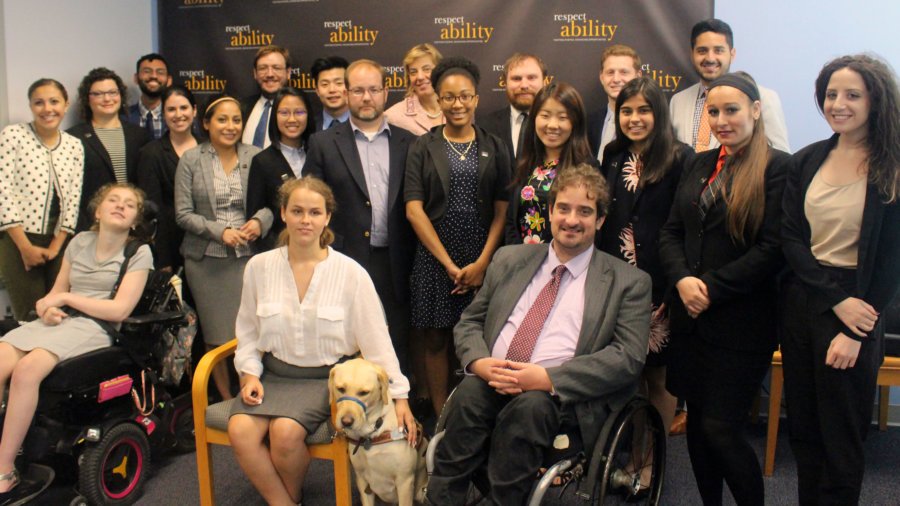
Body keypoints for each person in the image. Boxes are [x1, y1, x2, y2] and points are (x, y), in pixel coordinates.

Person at [427, 163, 651, 505]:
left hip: (559, 399)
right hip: (492, 379)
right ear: (549, 212)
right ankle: (441, 500)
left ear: (601, 220)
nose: (571, 220)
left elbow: (627, 358)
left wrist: (547, 378)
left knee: (530, 408)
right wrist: (479, 362)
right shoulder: (508, 259)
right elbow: (470, 321)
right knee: (469, 395)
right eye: (563, 208)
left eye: (585, 211)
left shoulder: (628, 282)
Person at [227, 176, 414, 506]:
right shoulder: (258, 267)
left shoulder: (351, 273)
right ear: (283, 213)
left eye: (315, 212)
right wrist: (249, 373)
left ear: (327, 217)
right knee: (240, 430)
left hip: (325, 380)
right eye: (297, 211)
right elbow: (247, 332)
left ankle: (288, 499)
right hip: (271, 376)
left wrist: (399, 396)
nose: (305, 220)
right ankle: (285, 502)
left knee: (284, 434)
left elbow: (376, 341)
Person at [658, 72, 789, 506]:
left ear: (755, 109)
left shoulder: (779, 167)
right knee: (696, 425)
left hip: (740, 324)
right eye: (713, 111)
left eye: (731, 110)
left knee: (720, 428)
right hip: (690, 322)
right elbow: (671, 233)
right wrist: (681, 279)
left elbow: (773, 249)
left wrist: (709, 289)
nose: (721, 120)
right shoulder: (698, 163)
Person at [781, 55, 900, 505]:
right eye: (831, 94)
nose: (838, 104)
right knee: (806, 432)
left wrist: (854, 328)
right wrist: (832, 300)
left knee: (841, 440)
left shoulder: (892, 166)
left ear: (876, 99)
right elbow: (791, 239)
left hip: (859, 308)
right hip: (805, 302)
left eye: (852, 95)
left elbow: (891, 262)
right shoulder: (808, 159)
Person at [0, 183, 151, 504]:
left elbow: (120, 310)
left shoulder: (138, 252)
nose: (120, 206)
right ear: (98, 210)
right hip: (62, 321)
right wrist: (47, 307)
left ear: (135, 219)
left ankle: (5, 469)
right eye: (113, 200)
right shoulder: (80, 242)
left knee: (27, 370)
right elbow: (53, 294)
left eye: (129, 204)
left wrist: (67, 298)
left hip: (98, 326)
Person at [405, 56, 510, 419]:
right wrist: (449, 264)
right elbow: (414, 209)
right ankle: (442, 417)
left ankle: (476, 415)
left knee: (479, 339)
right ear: (438, 99)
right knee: (435, 338)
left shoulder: (495, 146)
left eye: (465, 96)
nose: (457, 104)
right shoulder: (422, 146)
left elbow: (502, 210)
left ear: (477, 99)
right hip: (436, 257)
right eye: (448, 97)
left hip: (482, 256)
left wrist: (482, 263)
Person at [598, 76, 692, 457]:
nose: (634, 118)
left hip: (660, 284)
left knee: (658, 375)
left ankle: (649, 458)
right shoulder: (612, 155)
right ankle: (627, 448)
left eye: (644, 110)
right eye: (626, 111)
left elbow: (683, 227)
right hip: (615, 282)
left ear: (659, 113)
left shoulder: (681, 157)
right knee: (624, 373)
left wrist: (674, 286)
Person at [304, 59, 416, 375]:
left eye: (374, 90)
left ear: (386, 92)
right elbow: (312, 205)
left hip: (395, 262)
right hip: (343, 258)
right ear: (346, 92)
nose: (366, 98)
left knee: (395, 343)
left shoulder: (410, 143)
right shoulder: (323, 143)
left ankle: (397, 415)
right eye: (358, 90)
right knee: (345, 344)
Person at [174, 95, 269, 400]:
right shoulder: (191, 158)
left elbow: (275, 202)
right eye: (222, 120)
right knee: (216, 336)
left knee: (248, 333)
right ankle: (226, 399)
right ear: (206, 123)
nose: (230, 126)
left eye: (236, 120)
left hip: (247, 259)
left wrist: (259, 221)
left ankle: (249, 391)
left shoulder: (255, 156)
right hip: (206, 262)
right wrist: (220, 231)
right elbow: (183, 214)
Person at [0, 78, 84, 321]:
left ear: (66, 105)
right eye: (39, 102)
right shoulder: (13, 135)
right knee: (30, 316)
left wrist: (56, 249)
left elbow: (73, 199)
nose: (47, 109)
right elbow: (2, 191)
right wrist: (25, 247)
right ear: (30, 106)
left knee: (59, 315)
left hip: (59, 242)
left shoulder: (74, 145)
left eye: (54, 101)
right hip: (18, 239)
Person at [669, 19, 790, 153]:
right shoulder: (677, 101)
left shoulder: (764, 98)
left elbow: (781, 157)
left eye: (718, 51)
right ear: (692, 55)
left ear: (732, 54)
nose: (710, 58)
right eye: (702, 51)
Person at [506, 81, 597, 245]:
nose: (552, 125)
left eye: (562, 118)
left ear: (575, 122)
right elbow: (511, 221)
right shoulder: (526, 162)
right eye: (545, 116)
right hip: (522, 261)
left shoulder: (587, 168)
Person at [68, 68, 151, 232]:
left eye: (113, 92)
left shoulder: (139, 135)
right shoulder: (73, 138)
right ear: (87, 99)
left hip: (131, 225)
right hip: (91, 226)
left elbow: (145, 183)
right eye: (98, 94)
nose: (107, 98)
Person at [136, 85, 199, 272]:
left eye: (184, 108)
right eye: (171, 109)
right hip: (171, 244)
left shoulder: (209, 147)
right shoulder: (151, 153)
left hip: (207, 243)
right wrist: (163, 259)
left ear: (194, 110)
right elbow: (152, 210)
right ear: (163, 114)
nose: (178, 114)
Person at [246, 87, 316, 250]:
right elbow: (256, 215)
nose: (292, 119)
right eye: (284, 113)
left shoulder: (319, 153)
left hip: (319, 247)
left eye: (299, 112)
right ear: (274, 117)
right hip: (280, 249)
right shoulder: (262, 161)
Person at [479, 53, 546, 161]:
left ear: (544, 82)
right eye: (516, 79)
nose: (524, 85)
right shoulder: (484, 127)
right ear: (505, 83)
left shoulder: (558, 126)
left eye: (531, 78)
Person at [587, 44, 642, 163]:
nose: (616, 79)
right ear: (602, 77)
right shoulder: (588, 123)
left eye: (624, 72)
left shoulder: (648, 124)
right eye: (610, 72)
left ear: (638, 76)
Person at [384, 43, 445, 136]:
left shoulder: (457, 108)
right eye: (413, 72)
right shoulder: (393, 117)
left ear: (440, 71)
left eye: (426, 69)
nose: (419, 77)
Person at [241, 45, 291, 149]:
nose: (269, 74)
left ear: (288, 73)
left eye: (276, 68)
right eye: (263, 68)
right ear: (255, 73)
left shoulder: (299, 112)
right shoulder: (241, 107)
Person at [125, 53, 172, 140]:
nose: (154, 76)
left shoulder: (177, 117)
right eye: (147, 71)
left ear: (169, 80)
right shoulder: (124, 117)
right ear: (136, 78)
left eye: (160, 72)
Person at [310, 56, 350, 131]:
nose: (332, 90)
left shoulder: (364, 123)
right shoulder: (308, 127)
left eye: (339, 83)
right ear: (317, 90)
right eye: (325, 84)